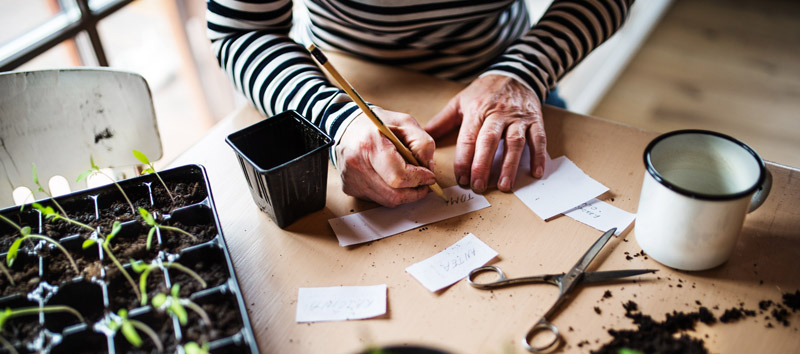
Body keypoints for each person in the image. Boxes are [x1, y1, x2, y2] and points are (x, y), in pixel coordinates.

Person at [207, 0, 634, 207]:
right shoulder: (336, 112)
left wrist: (525, 69)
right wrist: (336, 119)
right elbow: (241, 29)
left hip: (512, 85)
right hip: (336, 94)